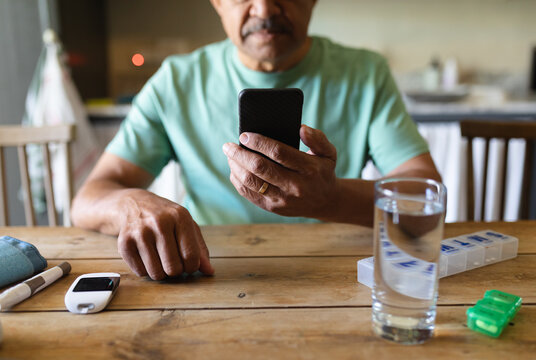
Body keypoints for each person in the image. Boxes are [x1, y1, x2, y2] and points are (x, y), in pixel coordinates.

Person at [71, 0, 441, 281]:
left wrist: (331, 199)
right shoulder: (176, 81)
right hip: (208, 270)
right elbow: (89, 198)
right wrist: (132, 204)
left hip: (339, 272)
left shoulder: (365, 74)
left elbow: (427, 196)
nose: (265, 9)